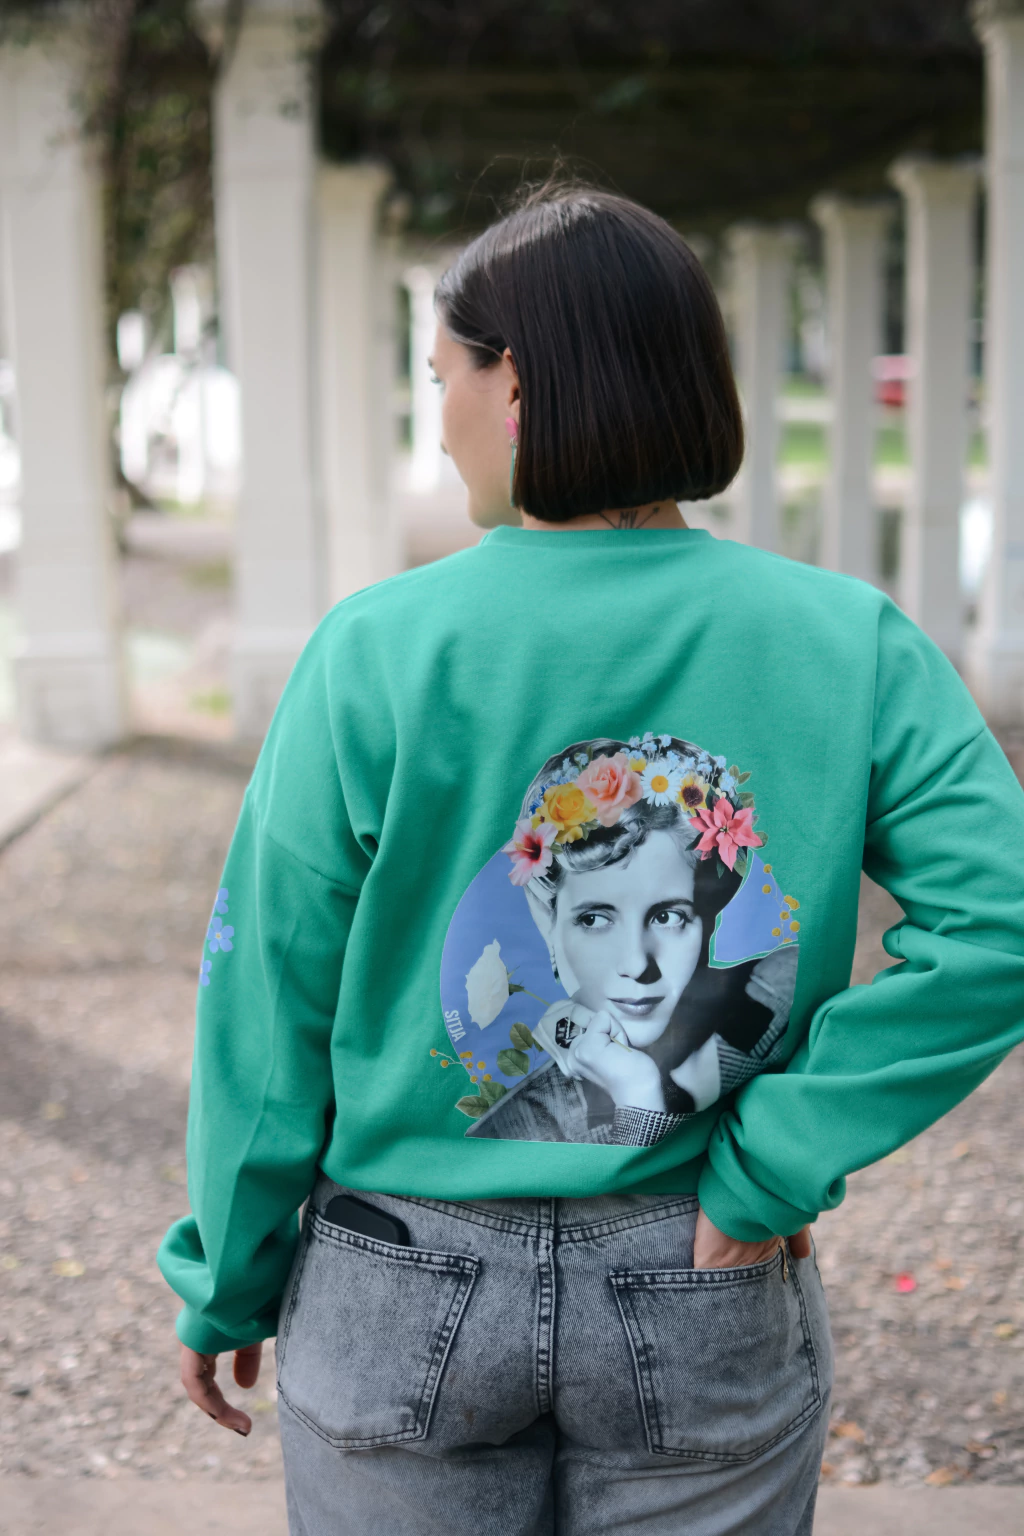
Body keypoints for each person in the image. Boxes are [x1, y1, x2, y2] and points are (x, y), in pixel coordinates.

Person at [158, 185, 1024, 1536]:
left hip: (397, 1275)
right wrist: (774, 1162)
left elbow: (269, 1002)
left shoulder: (373, 652)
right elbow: (1001, 921)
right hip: (705, 1269)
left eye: (442, 378)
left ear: (515, 386)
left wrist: (228, 1274)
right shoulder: (847, 641)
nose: (440, 418)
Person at [463, 735, 798, 1145]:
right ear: (547, 921)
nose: (637, 964)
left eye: (667, 916)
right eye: (594, 920)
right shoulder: (521, 1129)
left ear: (709, 913)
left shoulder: (785, 993)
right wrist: (638, 1096)